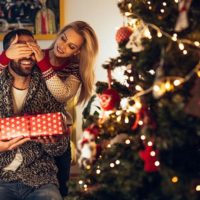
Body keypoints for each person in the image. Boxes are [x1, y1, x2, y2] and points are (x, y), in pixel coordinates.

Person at [0, 20, 99, 197]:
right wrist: (5, 56)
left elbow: (61, 95)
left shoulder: (59, 73)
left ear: (77, 51)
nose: (28, 55)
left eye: (71, 46)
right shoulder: (6, 78)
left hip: (41, 173)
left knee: (60, 189)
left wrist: (54, 140)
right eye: (63, 39)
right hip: (4, 176)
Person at [0, 29, 70, 200]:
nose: (27, 54)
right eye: (19, 49)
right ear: (8, 54)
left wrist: (54, 141)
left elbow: (61, 148)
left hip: (40, 178)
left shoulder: (49, 86)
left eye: (31, 48)